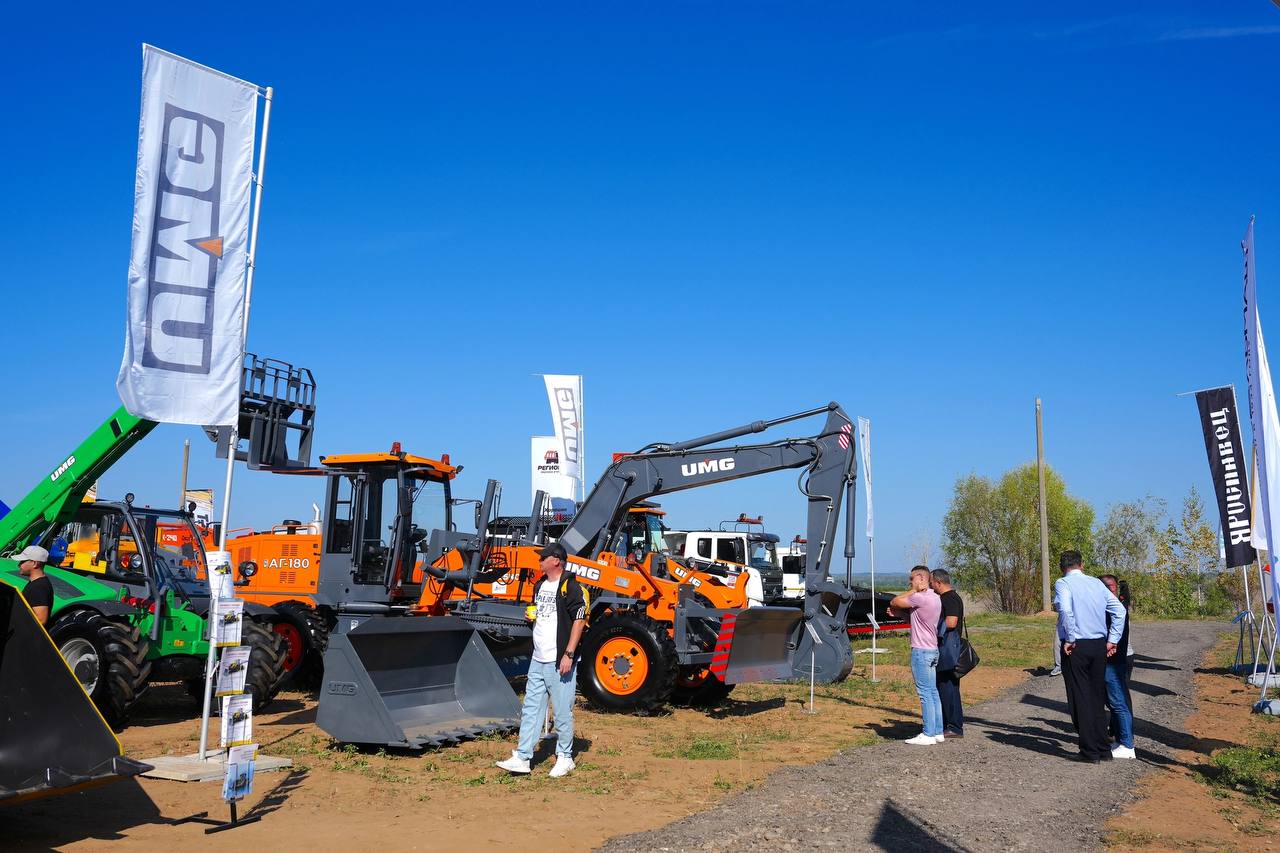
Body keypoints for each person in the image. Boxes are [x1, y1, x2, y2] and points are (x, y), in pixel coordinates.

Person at [497, 542, 588, 777]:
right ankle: (523, 757)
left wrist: (568, 654)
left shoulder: (571, 587)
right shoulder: (539, 585)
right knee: (531, 709)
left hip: (559, 660)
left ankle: (565, 757)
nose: (539, 560)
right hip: (538, 659)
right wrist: (532, 616)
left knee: (562, 711)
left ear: (556, 561)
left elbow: (579, 620)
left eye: (543, 557)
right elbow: (539, 613)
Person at [1054, 550, 1126, 763]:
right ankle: (1104, 748)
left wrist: (1070, 639)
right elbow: (1119, 612)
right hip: (1099, 644)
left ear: (1061, 567)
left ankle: (1089, 751)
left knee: (1080, 697)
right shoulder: (1096, 583)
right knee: (1096, 697)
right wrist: (1113, 639)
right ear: (1082, 564)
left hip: (1077, 645)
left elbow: (1066, 611)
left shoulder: (1063, 584)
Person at [889, 565, 944, 745]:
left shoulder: (920, 597)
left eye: (912, 579)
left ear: (921, 578)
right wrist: (901, 616)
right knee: (933, 692)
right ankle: (937, 731)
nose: (910, 582)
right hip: (932, 649)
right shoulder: (935, 598)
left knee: (924, 694)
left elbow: (895, 601)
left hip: (921, 651)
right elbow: (918, 620)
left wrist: (912, 590)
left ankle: (928, 734)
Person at [1100, 574, 1135, 759]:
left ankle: (1127, 744)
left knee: (1119, 702)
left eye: (1112, 586)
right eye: (1108, 586)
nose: (1110, 589)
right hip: (1117, 658)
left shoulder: (1116, 607)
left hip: (1117, 659)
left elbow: (1117, 636)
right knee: (1115, 702)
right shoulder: (1115, 604)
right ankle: (1121, 738)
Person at [931, 568, 964, 739]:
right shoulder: (952, 597)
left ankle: (954, 726)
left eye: (931, 583)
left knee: (948, 687)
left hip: (948, 649)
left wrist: (933, 627)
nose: (931, 586)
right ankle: (948, 724)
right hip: (948, 648)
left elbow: (951, 622)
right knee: (945, 686)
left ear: (938, 582)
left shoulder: (949, 598)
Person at [15, 545, 53, 626]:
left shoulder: (39, 587)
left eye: (22, 561)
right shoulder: (36, 583)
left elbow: (41, 620)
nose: (19, 565)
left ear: (34, 563)